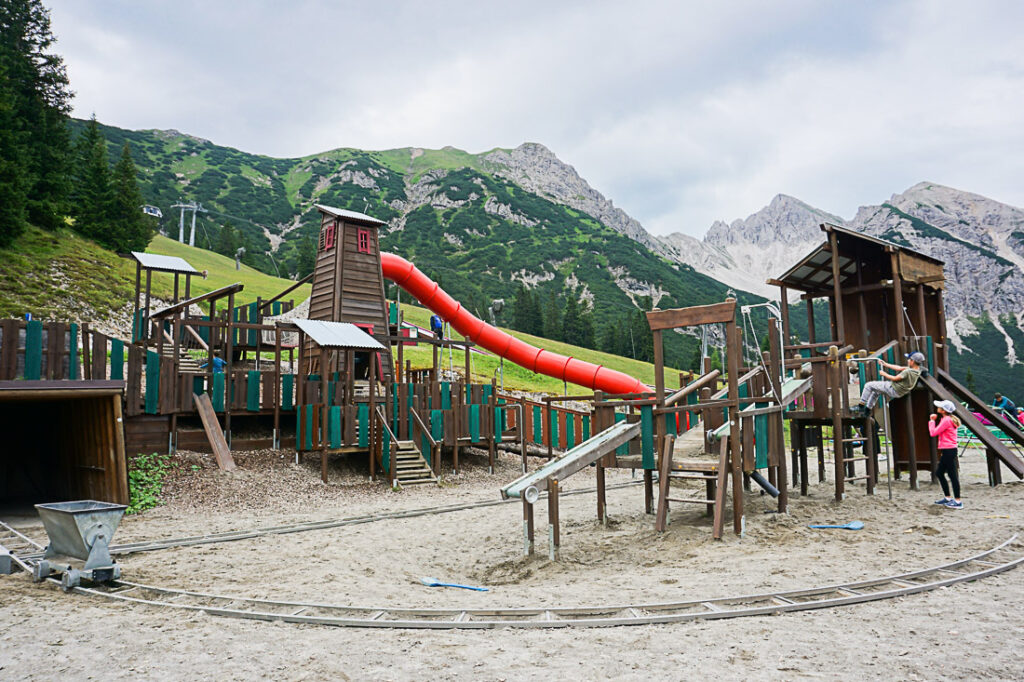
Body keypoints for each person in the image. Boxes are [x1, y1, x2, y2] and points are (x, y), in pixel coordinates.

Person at [854, 351, 925, 416]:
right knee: (876, 390)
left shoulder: (908, 372)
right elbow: (899, 368)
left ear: (912, 361)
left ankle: (861, 406)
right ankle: (868, 409)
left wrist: (884, 374)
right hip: (900, 392)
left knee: (868, 385)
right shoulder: (917, 370)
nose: (907, 361)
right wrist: (885, 364)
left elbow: (895, 378)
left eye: (909, 359)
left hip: (893, 388)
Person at [929, 399, 962, 509]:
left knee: (952, 476)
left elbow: (933, 433)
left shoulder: (946, 420)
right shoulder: (948, 419)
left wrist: (932, 421)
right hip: (949, 450)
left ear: (943, 410)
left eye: (940, 407)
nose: (937, 407)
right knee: (940, 473)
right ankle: (948, 498)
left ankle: (957, 501)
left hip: (948, 450)